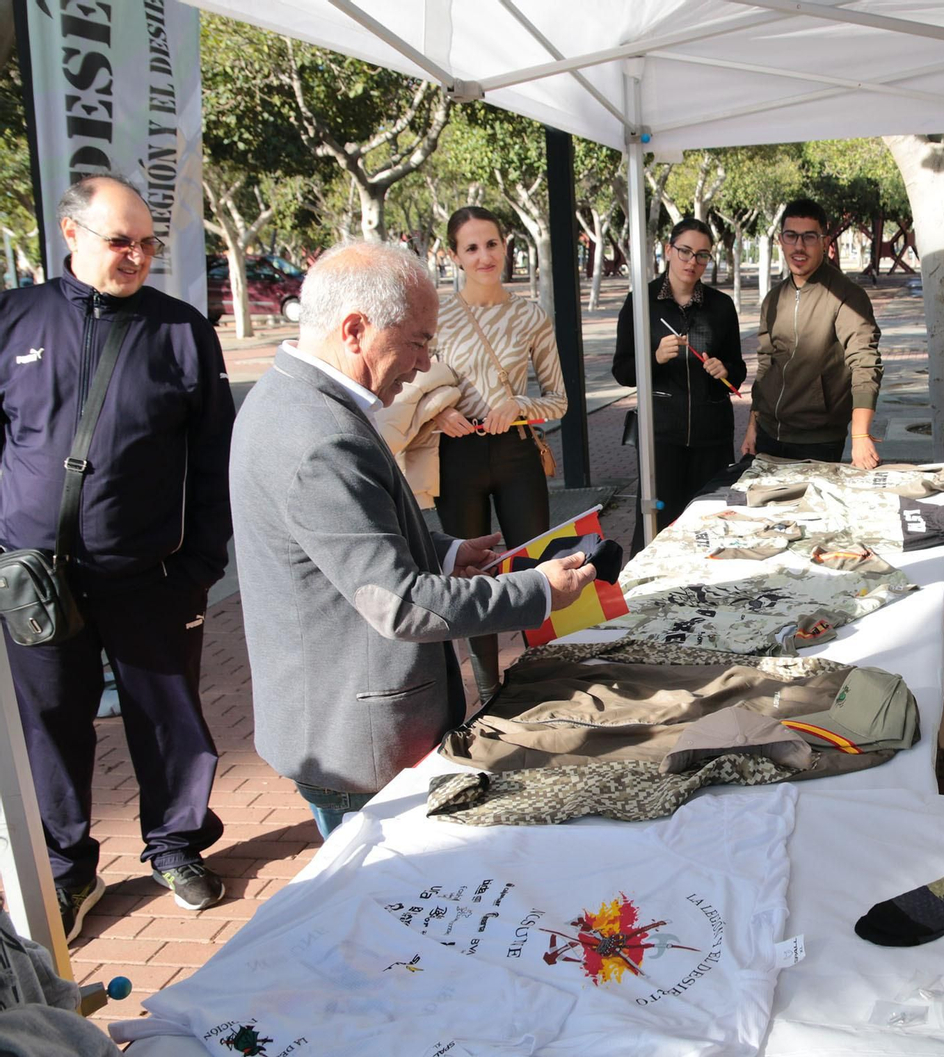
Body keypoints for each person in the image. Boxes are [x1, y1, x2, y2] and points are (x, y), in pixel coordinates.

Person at [229, 240, 595, 838]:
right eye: (420, 341)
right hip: (355, 738)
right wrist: (539, 591)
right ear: (355, 330)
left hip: (343, 719)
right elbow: (398, 603)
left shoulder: (296, 399)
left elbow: (348, 540)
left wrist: (446, 552)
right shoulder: (319, 435)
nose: (426, 364)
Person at [0, 175, 235, 936]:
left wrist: (199, 565)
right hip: (35, 579)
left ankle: (174, 843)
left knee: (168, 717)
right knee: (48, 725)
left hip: (149, 577)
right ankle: (67, 870)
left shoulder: (180, 330)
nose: (136, 255)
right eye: (118, 241)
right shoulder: (16, 319)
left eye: (146, 243)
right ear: (71, 234)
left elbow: (214, 458)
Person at [427, 206, 567, 706]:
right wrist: (437, 414)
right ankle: (488, 689)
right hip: (455, 456)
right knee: (471, 577)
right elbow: (408, 390)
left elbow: (560, 400)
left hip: (516, 453)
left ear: (506, 246)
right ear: (454, 256)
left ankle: (547, 676)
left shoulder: (530, 313)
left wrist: (521, 405)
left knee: (535, 564)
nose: (484, 256)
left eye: (492, 244)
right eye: (471, 247)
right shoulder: (437, 317)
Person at [612, 217, 747, 536]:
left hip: (711, 437)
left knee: (710, 525)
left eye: (702, 255)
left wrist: (725, 370)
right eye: (685, 251)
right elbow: (622, 371)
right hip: (661, 437)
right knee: (657, 526)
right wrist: (654, 358)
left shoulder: (721, 306)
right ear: (668, 250)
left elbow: (738, 372)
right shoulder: (641, 302)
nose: (692, 261)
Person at [742, 198, 882, 468]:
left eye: (809, 237)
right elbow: (765, 367)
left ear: (824, 241)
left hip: (818, 439)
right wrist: (752, 426)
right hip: (769, 434)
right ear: (780, 240)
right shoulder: (773, 299)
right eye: (791, 236)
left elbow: (865, 363)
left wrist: (861, 433)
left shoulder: (847, 295)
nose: (799, 246)